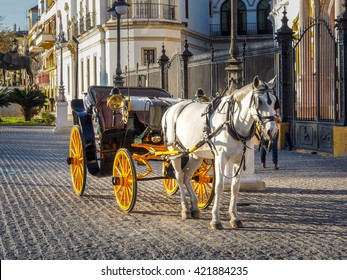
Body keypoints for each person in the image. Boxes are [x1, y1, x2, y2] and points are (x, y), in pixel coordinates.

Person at [260, 96, 281, 170]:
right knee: (264, 144)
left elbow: (277, 111)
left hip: (274, 125)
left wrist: (278, 116)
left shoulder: (274, 98)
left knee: (274, 145)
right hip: (265, 126)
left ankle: (275, 163)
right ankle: (263, 162)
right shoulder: (262, 98)